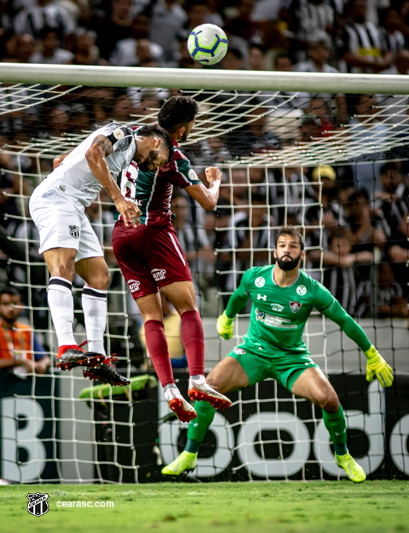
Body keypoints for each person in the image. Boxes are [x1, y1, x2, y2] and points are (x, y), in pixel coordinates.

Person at [162, 225, 394, 482]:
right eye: (282, 245)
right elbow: (239, 296)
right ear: (275, 251)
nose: (287, 250)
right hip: (252, 353)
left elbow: (345, 321)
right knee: (208, 388)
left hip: (291, 359)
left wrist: (372, 354)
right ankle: (189, 454)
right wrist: (226, 318)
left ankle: (343, 455)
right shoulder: (255, 277)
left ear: (302, 255)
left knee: (329, 399)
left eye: (293, 246)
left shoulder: (312, 290)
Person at [112, 95, 231, 422]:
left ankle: (169, 388)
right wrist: (216, 182)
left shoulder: (132, 134)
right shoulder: (174, 155)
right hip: (153, 233)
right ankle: (196, 379)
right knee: (188, 307)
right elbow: (207, 203)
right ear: (181, 127)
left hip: (121, 234)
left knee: (152, 317)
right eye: (192, 124)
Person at [29, 122, 172, 386]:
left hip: (73, 205)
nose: (154, 168)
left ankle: (96, 355)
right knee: (63, 267)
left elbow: (61, 160)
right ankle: (65, 346)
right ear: (156, 142)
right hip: (57, 200)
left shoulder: (126, 152)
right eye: (160, 162)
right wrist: (118, 197)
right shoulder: (125, 134)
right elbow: (92, 154)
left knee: (100, 276)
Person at [0, 286, 51, 375]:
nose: (10, 308)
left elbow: (45, 358)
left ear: (21, 307)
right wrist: (22, 362)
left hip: (26, 384)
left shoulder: (27, 330)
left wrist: (42, 364)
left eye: (14, 304)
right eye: (5, 304)